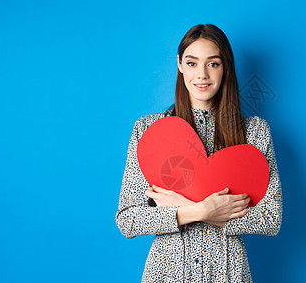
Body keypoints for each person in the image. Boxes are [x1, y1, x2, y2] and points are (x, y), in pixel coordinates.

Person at [115, 24, 282, 283]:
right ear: (179, 64)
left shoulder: (255, 132)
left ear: (225, 67)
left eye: (213, 64)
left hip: (228, 271)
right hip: (167, 272)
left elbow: (271, 219)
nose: (202, 75)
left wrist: (182, 203)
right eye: (192, 63)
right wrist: (201, 211)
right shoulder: (148, 129)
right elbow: (129, 219)